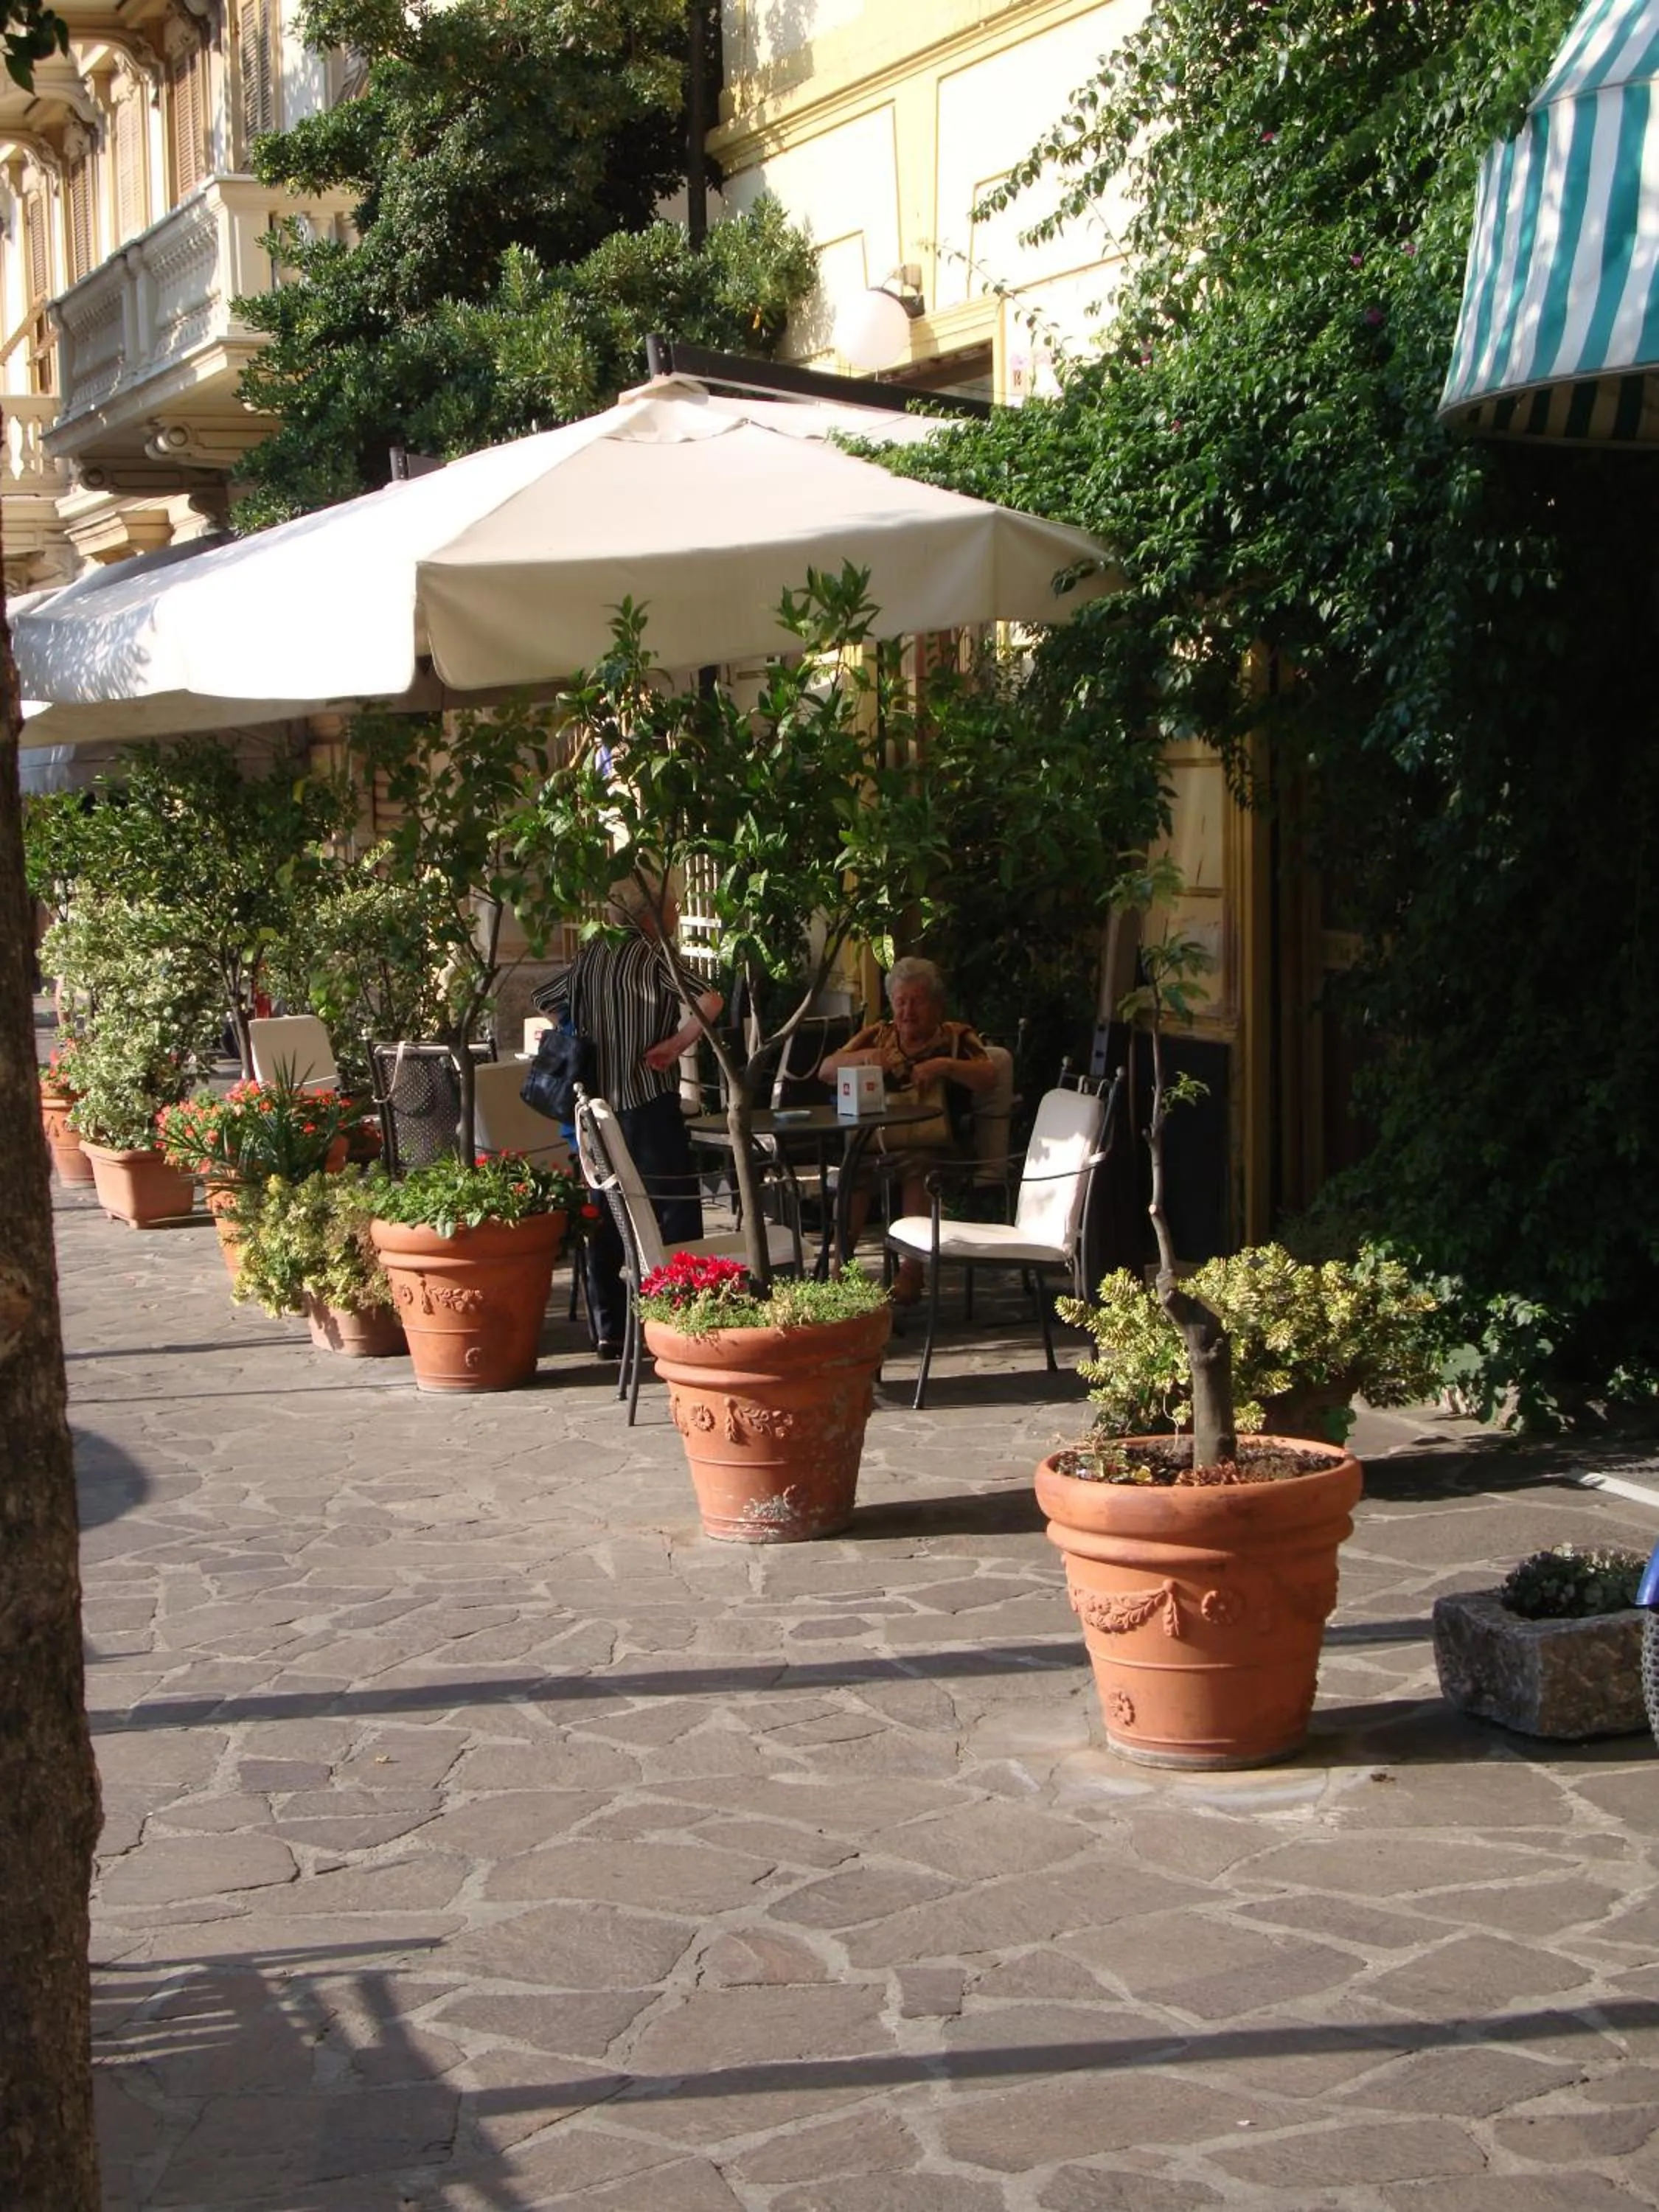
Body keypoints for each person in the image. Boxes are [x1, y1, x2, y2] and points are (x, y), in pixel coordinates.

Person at [537, 877, 722, 1356]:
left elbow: (545, 998)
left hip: (596, 1109)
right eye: (674, 907)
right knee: (673, 1205)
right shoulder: (654, 953)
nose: (678, 915)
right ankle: (684, 1316)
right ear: (651, 915)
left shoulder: (593, 952)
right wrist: (675, 1046)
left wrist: (579, 1032)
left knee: (608, 1211)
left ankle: (611, 1330)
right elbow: (711, 999)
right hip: (646, 1100)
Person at [818, 956, 998, 1301]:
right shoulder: (879, 1034)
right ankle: (840, 1271)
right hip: (879, 1143)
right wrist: (866, 1059)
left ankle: (911, 1273)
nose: (907, 1011)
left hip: (942, 1146)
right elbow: (826, 1069)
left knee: (918, 1166)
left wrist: (945, 1066)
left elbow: (989, 1076)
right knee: (854, 1171)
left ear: (937, 1006)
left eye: (917, 1001)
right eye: (900, 1002)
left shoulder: (957, 1038)